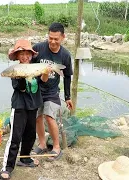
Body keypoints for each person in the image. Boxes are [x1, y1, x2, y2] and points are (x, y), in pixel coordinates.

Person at [0, 39, 51, 180]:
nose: (25, 56)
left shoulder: (35, 67)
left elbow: (43, 81)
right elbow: (21, 88)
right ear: (17, 56)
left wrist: (46, 71)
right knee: (15, 137)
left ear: (31, 54)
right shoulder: (15, 70)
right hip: (19, 106)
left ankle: (25, 158)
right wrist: (21, 77)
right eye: (21, 54)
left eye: (27, 53)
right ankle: (7, 167)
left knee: (30, 135)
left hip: (33, 105)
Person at [31, 22, 73, 161]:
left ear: (63, 37)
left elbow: (67, 76)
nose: (53, 41)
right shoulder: (38, 48)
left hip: (52, 91)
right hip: (37, 89)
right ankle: (42, 144)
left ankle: (56, 147)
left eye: (56, 38)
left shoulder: (65, 55)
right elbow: (26, 60)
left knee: (49, 116)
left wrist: (67, 97)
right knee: (37, 117)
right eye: (50, 38)